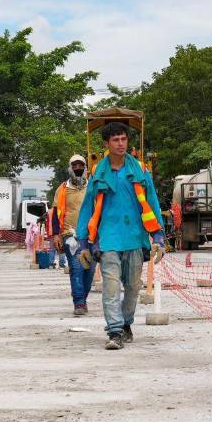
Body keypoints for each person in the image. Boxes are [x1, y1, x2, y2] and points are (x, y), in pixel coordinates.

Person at [75, 122, 166, 350]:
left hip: (135, 237)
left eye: (123, 139)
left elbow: (152, 203)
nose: (120, 144)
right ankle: (114, 331)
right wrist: (84, 242)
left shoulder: (140, 171)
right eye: (115, 140)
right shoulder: (98, 173)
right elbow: (88, 207)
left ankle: (126, 323)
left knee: (134, 287)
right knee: (111, 287)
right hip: (108, 239)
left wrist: (158, 238)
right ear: (106, 144)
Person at [51, 155, 95, 316]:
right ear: (70, 168)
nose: (78, 168)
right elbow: (55, 213)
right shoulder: (62, 189)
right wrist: (56, 234)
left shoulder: (93, 187)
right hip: (69, 234)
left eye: (80, 165)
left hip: (91, 235)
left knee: (89, 269)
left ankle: (82, 298)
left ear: (85, 168)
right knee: (77, 267)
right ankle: (79, 302)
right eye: (74, 165)